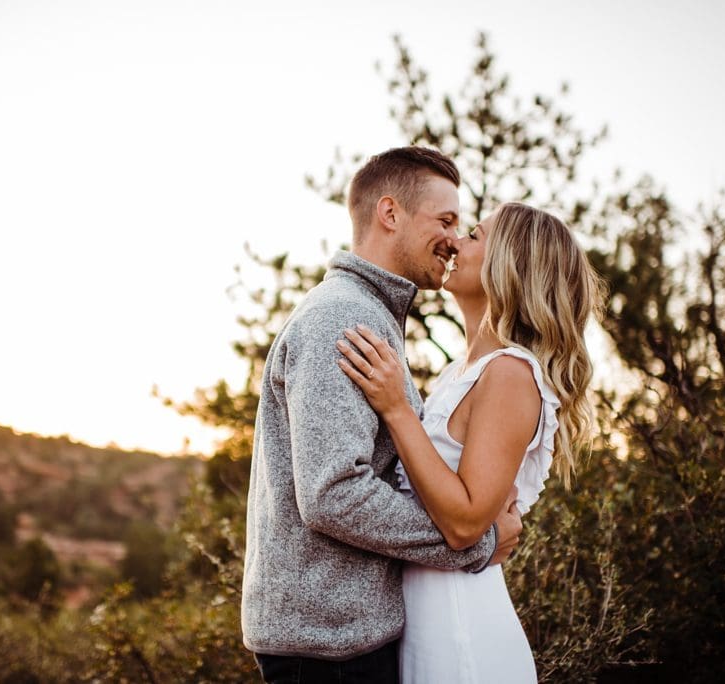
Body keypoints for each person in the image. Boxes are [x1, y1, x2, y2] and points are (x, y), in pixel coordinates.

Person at [241, 147, 524, 683]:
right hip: (327, 650)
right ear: (390, 214)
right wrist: (472, 546)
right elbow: (334, 493)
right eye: (444, 220)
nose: (452, 238)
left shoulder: (370, 313)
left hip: (343, 638)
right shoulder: (343, 317)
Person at [336, 202, 604, 682]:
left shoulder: (510, 373)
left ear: (511, 268)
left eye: (475, 236)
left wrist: (397, 409)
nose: (455, 242)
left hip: (460, 636)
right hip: (420, 624)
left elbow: (463, 523)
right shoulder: (457, 375)